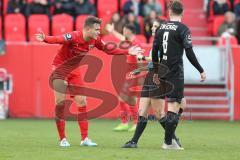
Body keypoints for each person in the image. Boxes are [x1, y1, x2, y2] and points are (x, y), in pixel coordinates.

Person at [35, 16, 144, 147]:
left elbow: (108, 50)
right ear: (87, 29)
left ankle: (84, 139)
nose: (99, 32)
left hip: (74, 70)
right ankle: (62, 138)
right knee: (60, 103)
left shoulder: (95, 40)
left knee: (82, 101)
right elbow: (59, 39)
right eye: (97, 29)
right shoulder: (74, 36)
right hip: (60, 68)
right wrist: (45, 38)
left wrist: (127, 52)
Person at [122, 19, 187, 149]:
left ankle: (172, 139)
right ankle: (134, 141)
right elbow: (153, 65)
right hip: (149, 77)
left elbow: (160, 62)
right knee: (142, 111)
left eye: (156, 26)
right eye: (152, 26)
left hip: (158, 78)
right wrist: (138, 70)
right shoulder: (156, 42)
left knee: (159, 114)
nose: (152, 28)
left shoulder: (164, 44)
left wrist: (143, 58)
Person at [151, 1, 206, 150]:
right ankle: (168, 142)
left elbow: (154, 50)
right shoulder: (183, 29)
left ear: (169, 12)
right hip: (175, 71)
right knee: (174, 106)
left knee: (182, 104)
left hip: (162, 69)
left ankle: (171, 138)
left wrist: (156, 71)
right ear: (182, 13)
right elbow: (189, 52)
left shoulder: (161, 27)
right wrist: (200, 69)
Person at [106, 23, 142, 132]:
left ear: (129, 31)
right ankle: (125, 122)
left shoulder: (136, 43)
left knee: (129, 99)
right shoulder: (128, 40)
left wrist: (139, 59)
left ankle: (135, 123)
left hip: (134, 73)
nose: (123, 31)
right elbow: (120, 37)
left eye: (124, 29)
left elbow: (140, 56)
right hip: (129, 73)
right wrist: (112, 31)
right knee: (122, 98)